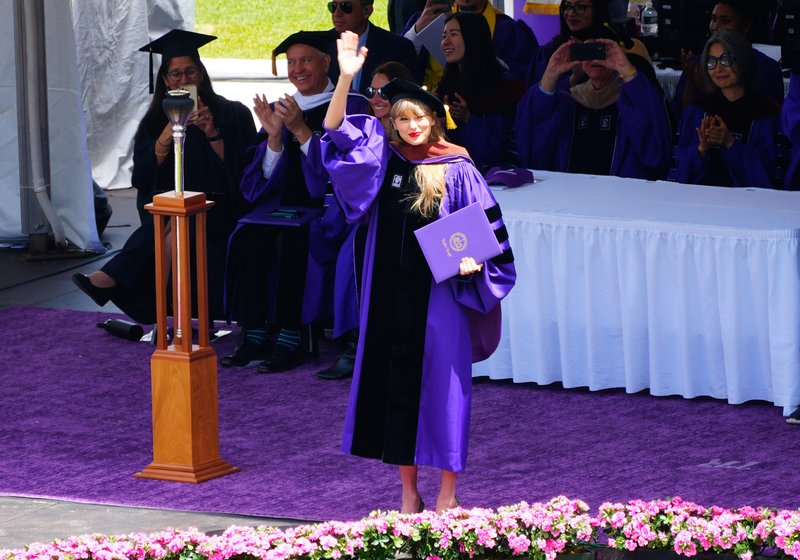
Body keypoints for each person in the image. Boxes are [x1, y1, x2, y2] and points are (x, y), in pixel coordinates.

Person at [321, 31, 516, 513]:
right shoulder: (379, 158)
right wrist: (346, 77)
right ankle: (409, 492)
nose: (412, 126)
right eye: (404, 117)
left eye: (421, 118)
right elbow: (335, 128)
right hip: (388, 295)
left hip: (442, 298)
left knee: (446, 394)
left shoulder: (457, 167)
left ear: (435, 121)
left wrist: (477, 261)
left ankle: (448, 493)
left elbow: (487, 236)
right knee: (397, 392)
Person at [72, 29, 257, 325]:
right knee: (173, 221)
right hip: (176, 212)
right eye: (175, 74)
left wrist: (212, 133)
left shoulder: (232, 113)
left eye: (190, 72)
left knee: (177, 218)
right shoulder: (156, 121)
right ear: (164, 80)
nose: (184, 81)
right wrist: (167, 135)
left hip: (223, 208)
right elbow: (144, 178)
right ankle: (168, 316)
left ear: (201, 74)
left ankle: (122, 283)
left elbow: (245, 173)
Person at [222, 30, 369, 373]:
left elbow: (343, 172)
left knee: (294, 239)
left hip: (329, 211)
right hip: (281, 209)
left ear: (327, 62)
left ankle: (293, 336)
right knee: (249, 235)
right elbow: (257, 183)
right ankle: (255, 333)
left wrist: (302, 131)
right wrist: (274, 138)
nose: (297, 69)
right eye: (291, 62)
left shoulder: (352, 105)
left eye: (305, 60)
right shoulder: (283, 109)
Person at [317, 61, 417, 381]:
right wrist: (346, 77)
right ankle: (355, 346)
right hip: (373, 227)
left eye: (383, 91)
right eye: (372, 90)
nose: (375, 97)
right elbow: (334, 126)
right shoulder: (368, 130)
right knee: (354, 268)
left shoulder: (419, 131)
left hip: (412, 227)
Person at [516, 35, 671, 180]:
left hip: (622, 198)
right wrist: (550, 73)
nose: (596, 58)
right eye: (588, 50)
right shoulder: (568, 101)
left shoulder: (632, 100)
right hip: (568, 196)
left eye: (603, 50)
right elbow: (533, 143)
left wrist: (627, 70)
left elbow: (655, 150)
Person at [669, 30, 780, 189]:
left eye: (725, 60)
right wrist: (701, 150)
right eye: (711, 61)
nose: (718, 68)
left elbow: (769, 179)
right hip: (701, 205)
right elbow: (678, 174)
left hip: (750, 208)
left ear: (742, 60)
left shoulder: (766, 114)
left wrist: (730, 144)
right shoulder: (698, 112)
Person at [436, 12, 525, 171]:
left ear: (472, 38)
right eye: (444, 36)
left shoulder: (505, 87)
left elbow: (498, 146)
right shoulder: (446, 86)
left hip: (495, 179)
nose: (445, 42)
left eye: (453, 34)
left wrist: (469, 118)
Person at [670, 0, 783, 122]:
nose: (716, 27)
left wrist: (712, 91)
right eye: (713, 19)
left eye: (725, 21)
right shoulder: (697, 63)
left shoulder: (767, 68)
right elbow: (682, 120)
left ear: (745, 27)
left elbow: (769, 117)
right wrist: (691, 81)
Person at [402, 0, 538, 90]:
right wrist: (416, 31)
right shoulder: (426, 19)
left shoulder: (511, 32)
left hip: (480, 120)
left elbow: (522, 83)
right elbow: (396, 69)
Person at [325, 0, 423, 94]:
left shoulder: (399, 48)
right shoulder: (322, 46)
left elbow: (410, 98)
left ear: (367, 10)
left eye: (346, 7)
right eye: (333, 6)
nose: (337, 13)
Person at [524, 0, 610, 90]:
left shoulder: (611, 49)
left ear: (597, 10)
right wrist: (574, 78)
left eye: (581, 7)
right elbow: (534, 97)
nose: (571, 13)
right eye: (567, 7)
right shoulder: (552, 51)